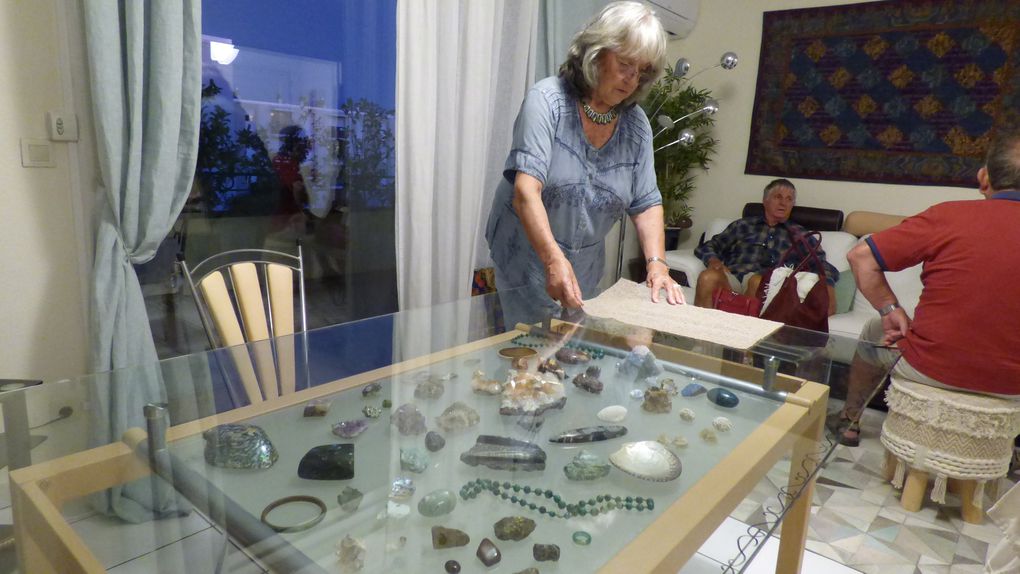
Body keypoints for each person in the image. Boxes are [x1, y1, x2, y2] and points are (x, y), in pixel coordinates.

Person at [485, 1, 684, 329]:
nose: (631, 79)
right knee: (525, 360)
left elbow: (647, 202)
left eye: (642, 70)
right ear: (597, 52)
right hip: (525, 260)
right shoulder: (547, 102)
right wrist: (552, 260)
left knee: (571, 359)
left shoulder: (636, 127)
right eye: (624, 64)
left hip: (585, 267)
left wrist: (657, 265)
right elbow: (525, 192)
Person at [830, 125, 1020, 447]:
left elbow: (861, 257)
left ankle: (850, 420)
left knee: (874, 330)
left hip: (931, 368)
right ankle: (1004, 446)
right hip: (1012, 383)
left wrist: (891, 310)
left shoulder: (949, 217)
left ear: (983, 177)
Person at [692, 179, 838, 312]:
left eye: (789, 199)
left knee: (757, 281)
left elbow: (820, 264)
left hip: (768, 287)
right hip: (733, 279)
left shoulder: (800, 235)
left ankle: (744, 336)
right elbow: (709, 246)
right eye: (778, 197)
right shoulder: (743, 225)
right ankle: (700, 337)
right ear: (765, 200)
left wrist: (827, 284)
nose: (783, 203)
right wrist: (713, 260)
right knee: (707, 277)